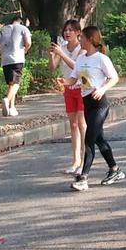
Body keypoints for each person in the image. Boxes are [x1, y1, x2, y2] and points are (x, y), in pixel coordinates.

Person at [62, 26, 124, 191]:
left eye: (81, 37)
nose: (79, 40)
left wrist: (102, 89)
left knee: (88, 140)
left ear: (90, 39)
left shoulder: (101, 59)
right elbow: (74, 79)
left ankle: (83, 178)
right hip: (87, 103)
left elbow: (114, 78)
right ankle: (115, 169)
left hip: (99, 105)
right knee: (98, 139)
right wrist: (63, 83)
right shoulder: (81, 59)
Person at [48, 19, 86, 176]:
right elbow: (52, 67)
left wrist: (61, 54)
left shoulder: (82, 50)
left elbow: (76, 67)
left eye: (71, 30)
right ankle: (75, 161)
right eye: (66, 30)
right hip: (68, 89)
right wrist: (52, 55)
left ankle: (84, 161)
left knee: (82, 125)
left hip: (82, 89)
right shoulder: (62, 48)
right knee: (73, 125)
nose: (67, 32)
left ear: (78, 33)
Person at [0, 12, 32, 117]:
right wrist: (25, 50)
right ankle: (7, 99)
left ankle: (12, 108)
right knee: (16, 83)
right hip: (17, 58)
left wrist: (1, 52)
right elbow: (28, 43)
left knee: (11, 83)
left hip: (5, 60)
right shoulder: (23, 28)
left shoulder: (2, 29)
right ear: (21, 22)